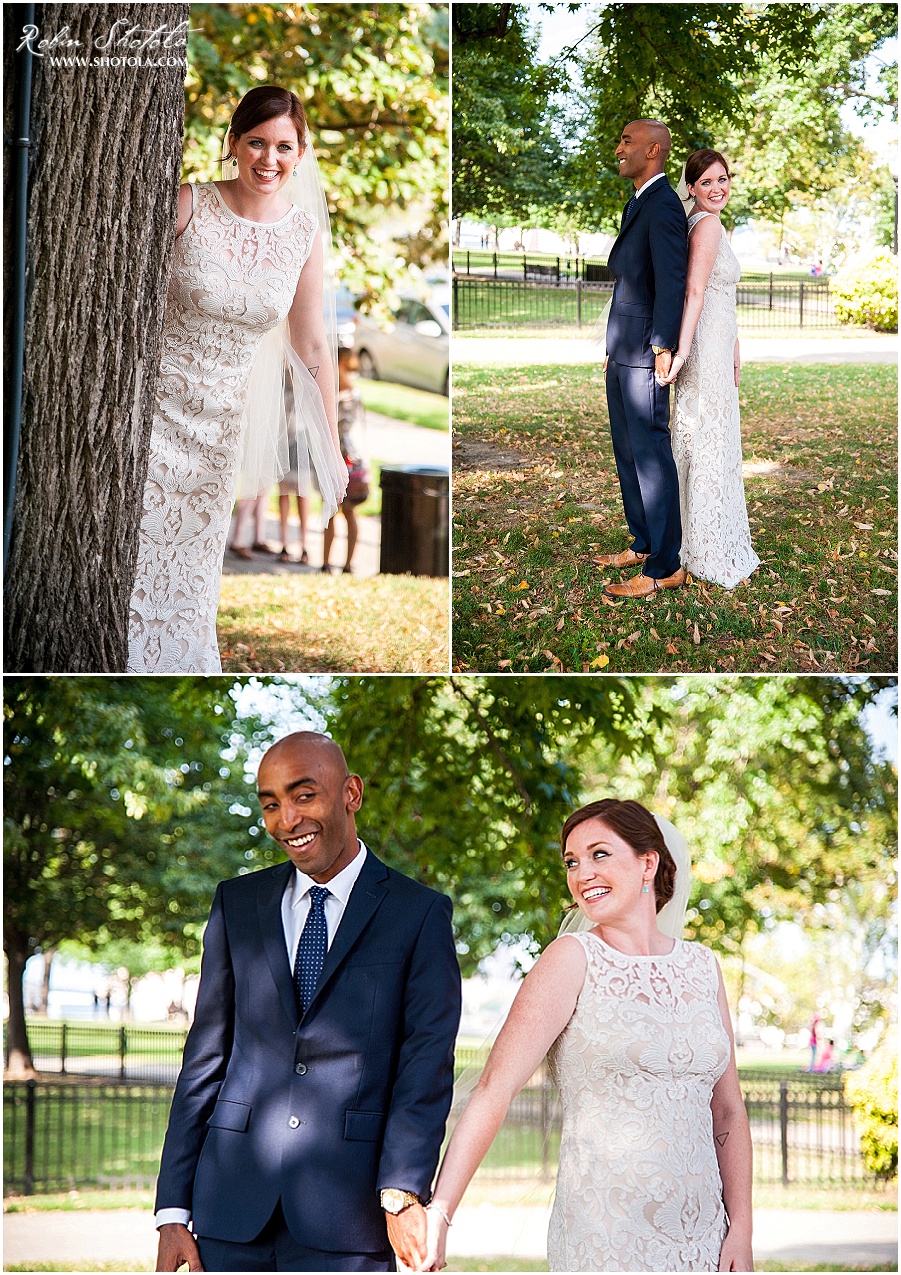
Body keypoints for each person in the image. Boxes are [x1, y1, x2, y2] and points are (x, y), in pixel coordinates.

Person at [154, 731, 462, 1272]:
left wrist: (402, 1190)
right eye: (270, 804)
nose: (286, 820)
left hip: (352, 1218)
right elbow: (204, 1058)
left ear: (351, 794)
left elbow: (426, 1065)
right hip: (229, 1213)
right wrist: (173, 1210)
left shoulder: (419, 914)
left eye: (303, 796)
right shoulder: (237, 903)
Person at [422, 799, 753, 1273]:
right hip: (606, 1237)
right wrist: (441, 1211)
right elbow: (496, 1088)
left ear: (647, 862)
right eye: (572, 862)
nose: (582, 874)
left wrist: (740, 1228)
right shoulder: (571, 958)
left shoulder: (703, 967)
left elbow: (727, 1110)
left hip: (705, 1238)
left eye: (599, 854)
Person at [128, 86, 346, 672]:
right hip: (149, 418)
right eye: (255, 142)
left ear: (300, 154)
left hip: (221, 430)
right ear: (233, 144)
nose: (267, 159)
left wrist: (331, 445)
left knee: (190, 572)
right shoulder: (186, 205)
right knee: (132, 561)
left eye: (282, 146)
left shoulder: (303, 235)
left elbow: (311, 342)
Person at [594, 120, 689, 600]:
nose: (619, 148)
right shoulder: (639, 201)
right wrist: (613, 349)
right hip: (623, 350)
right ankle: (644, 541)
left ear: (653, 150)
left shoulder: (664, 206)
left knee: (651, 455)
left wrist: (662, 348)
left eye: (627, 142)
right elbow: (633, 283)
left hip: (647, 353)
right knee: (627, 451)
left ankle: (666, 565)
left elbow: (671, 283)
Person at [660, 150, 760, 588]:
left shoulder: (698, 223)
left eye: (723, 179)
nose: (718, 188)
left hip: (718, 342)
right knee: (708, 436)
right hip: (703, 348)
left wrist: (735, 342)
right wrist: (681, 354)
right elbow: (695, 292)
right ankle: (704, 544)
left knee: (700, 433)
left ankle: (690, 535)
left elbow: (718, 297)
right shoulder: (708, 225)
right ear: (691, 188)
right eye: (706, 182)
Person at [323, 345, 367, 575]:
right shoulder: (341, 392)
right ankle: (329, 562)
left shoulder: (348, 395)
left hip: (346, 457)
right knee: (334, 512)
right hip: (340, 456)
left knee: (345, 511)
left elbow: (344, 427)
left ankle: (345, 563)